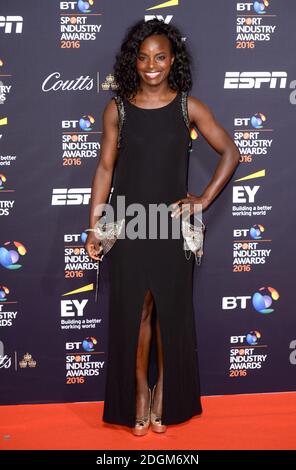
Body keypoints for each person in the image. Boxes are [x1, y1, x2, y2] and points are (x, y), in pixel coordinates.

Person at [85, 18, 240, 436]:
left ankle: (163, 395)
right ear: (132, 61)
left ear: (173, 61)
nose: (151, 65)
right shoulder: (117, 108)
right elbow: (104, 167)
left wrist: (202, 200)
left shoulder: (189, 107)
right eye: (143, 57)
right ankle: (138, 391)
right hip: (130, 224)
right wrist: (94, 226)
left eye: (160, 57)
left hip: (171, 227)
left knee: (170, 313)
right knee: (137, 313)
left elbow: (231, 151)